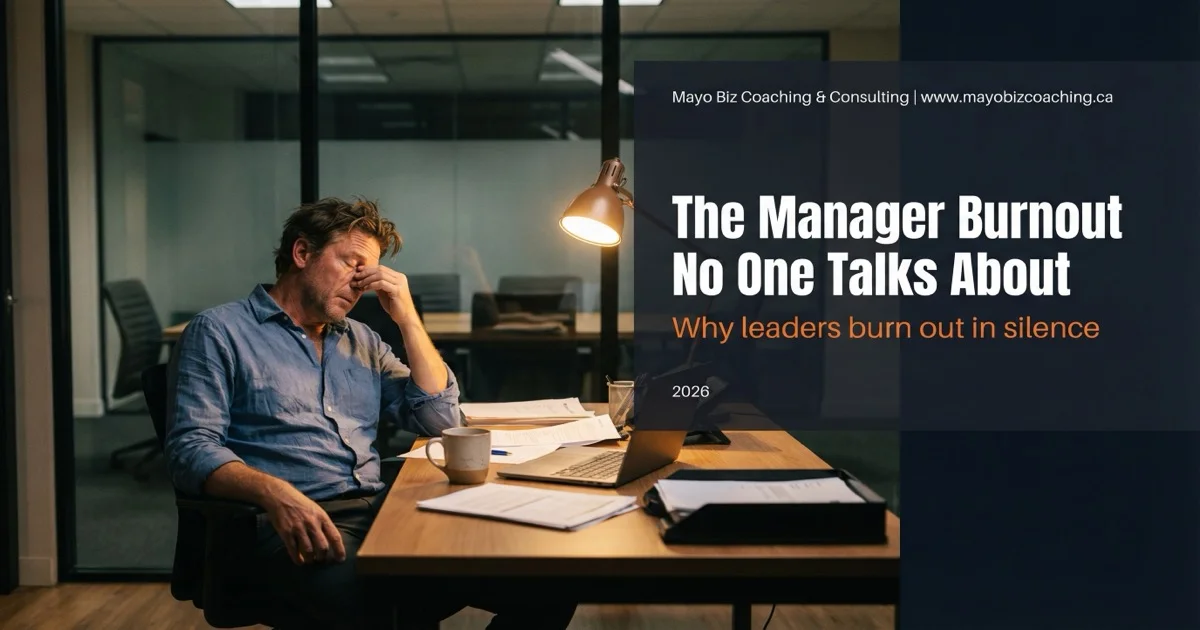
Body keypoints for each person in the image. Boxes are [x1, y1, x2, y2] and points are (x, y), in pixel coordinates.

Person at [163, 197, 578, 629]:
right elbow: (190, 449)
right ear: (302, 254)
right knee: (388, 609)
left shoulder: (360, 339)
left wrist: (407, 319)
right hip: (289, 526)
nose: (361, 283)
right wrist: (275, 493)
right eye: (351, 263)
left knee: (548, 585)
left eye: (368, 271)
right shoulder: (219, 332)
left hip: (382, 513)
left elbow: (440, 422)